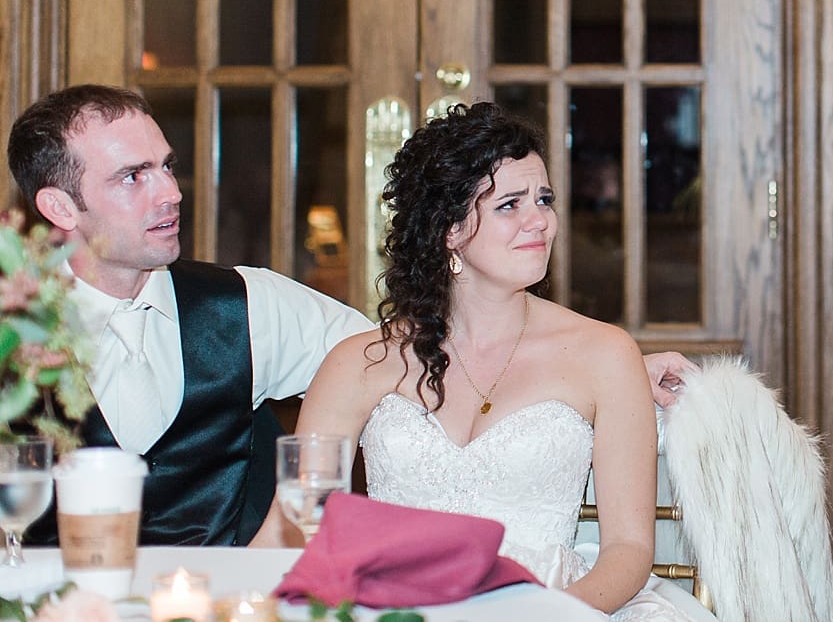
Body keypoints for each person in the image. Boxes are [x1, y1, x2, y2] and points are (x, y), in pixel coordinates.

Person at [259, 102, 711, 621]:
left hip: (551, 608)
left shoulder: (606, 354)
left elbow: (628, 552)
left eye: (544, 199)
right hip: (395, 609)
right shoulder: (359, 362)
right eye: (510, 205)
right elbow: (286, 529)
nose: (540, 221)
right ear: (449, 229)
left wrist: (547, 615)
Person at [5, 84, 374, 545]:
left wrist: (289, 516)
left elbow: (387, 361)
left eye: (166, 166)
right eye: (133, 177)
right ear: (60, 207)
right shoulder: (11, 332)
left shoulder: (247, 304)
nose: (171, 193)